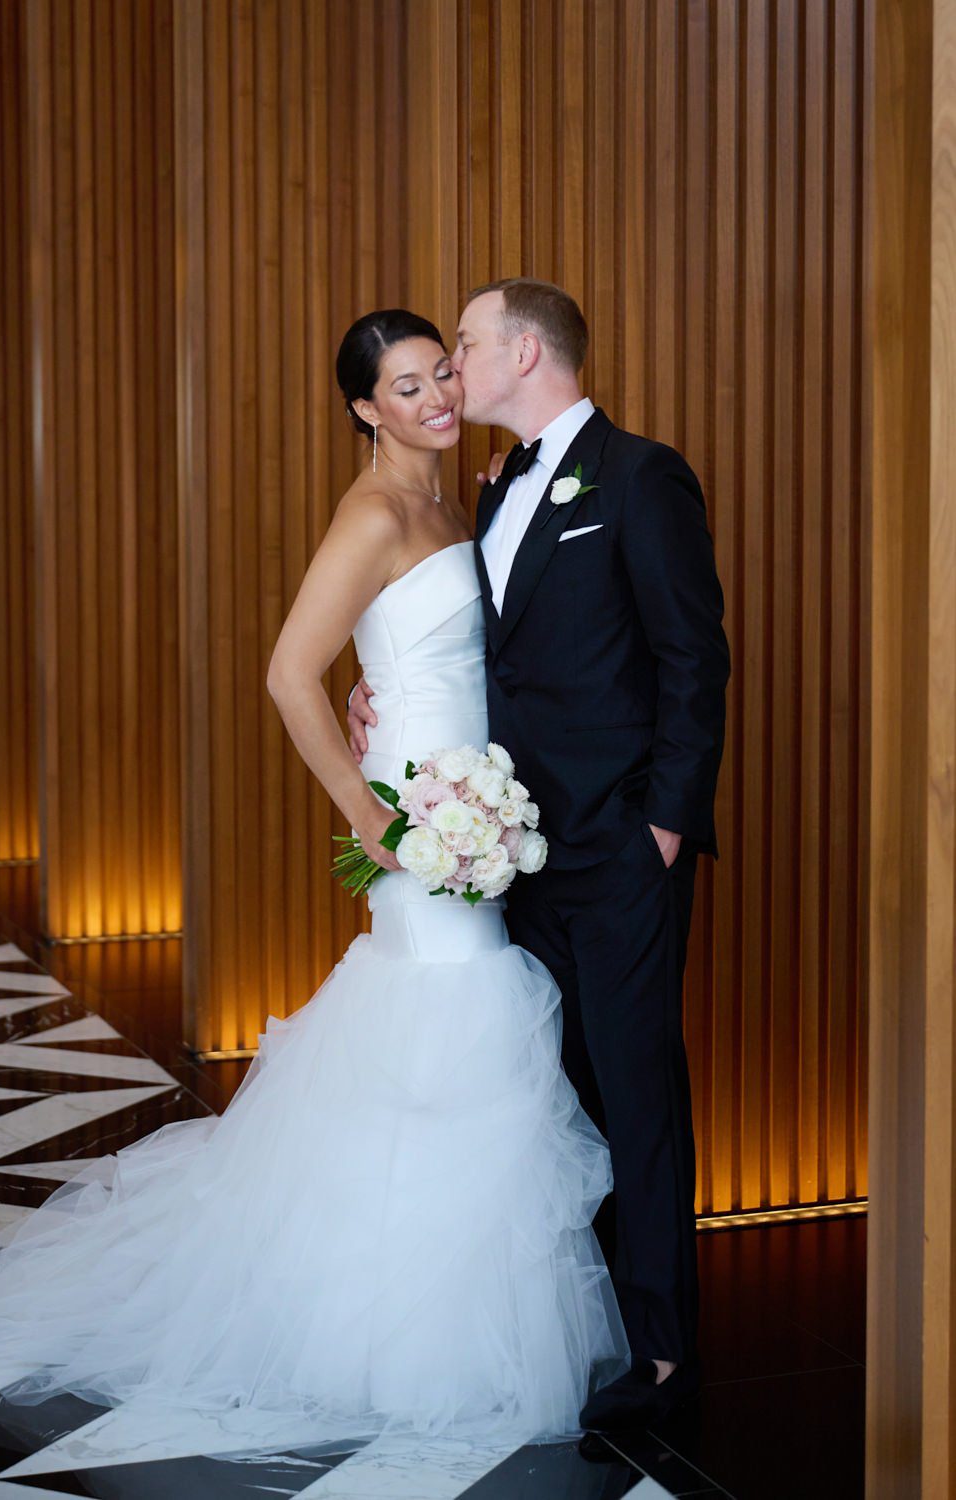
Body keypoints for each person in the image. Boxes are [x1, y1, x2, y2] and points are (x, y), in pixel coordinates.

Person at [0, 308, 628, 1458]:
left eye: (442, 374)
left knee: (445, 1032)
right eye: (404, 386)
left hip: (477, 790)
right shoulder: (377, 511)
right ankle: (414, 1331)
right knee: (452, 1019)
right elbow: (290, 671)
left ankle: (414, 1295)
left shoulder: (457, 498)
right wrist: (369, 813)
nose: (434, 397)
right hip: (424, 814)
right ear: (362, 409)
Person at [349, 279, 730, 1437]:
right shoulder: (500, 483)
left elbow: (693, 658)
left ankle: (663, 1352)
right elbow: (487, 653)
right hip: (516, 855)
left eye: (464, 345)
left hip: (619, 849)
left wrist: (662, 827)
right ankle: (598, 1323)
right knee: (558, 1101)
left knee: (638, 1091)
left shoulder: (639, 475)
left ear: (524, 350)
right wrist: (382, 689)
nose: (455, 368)